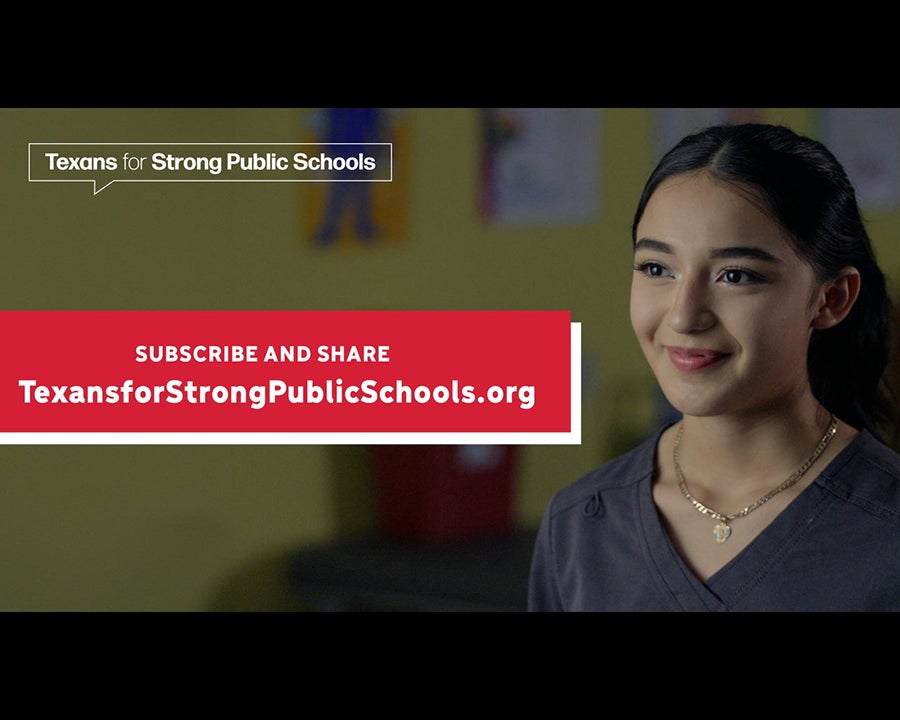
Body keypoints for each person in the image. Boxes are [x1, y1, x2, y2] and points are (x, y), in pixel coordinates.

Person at [528, 122, 900, 611]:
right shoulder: (580, 527)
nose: (683, 315)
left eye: (736, 275)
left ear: (830, 298)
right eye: (657, 269)